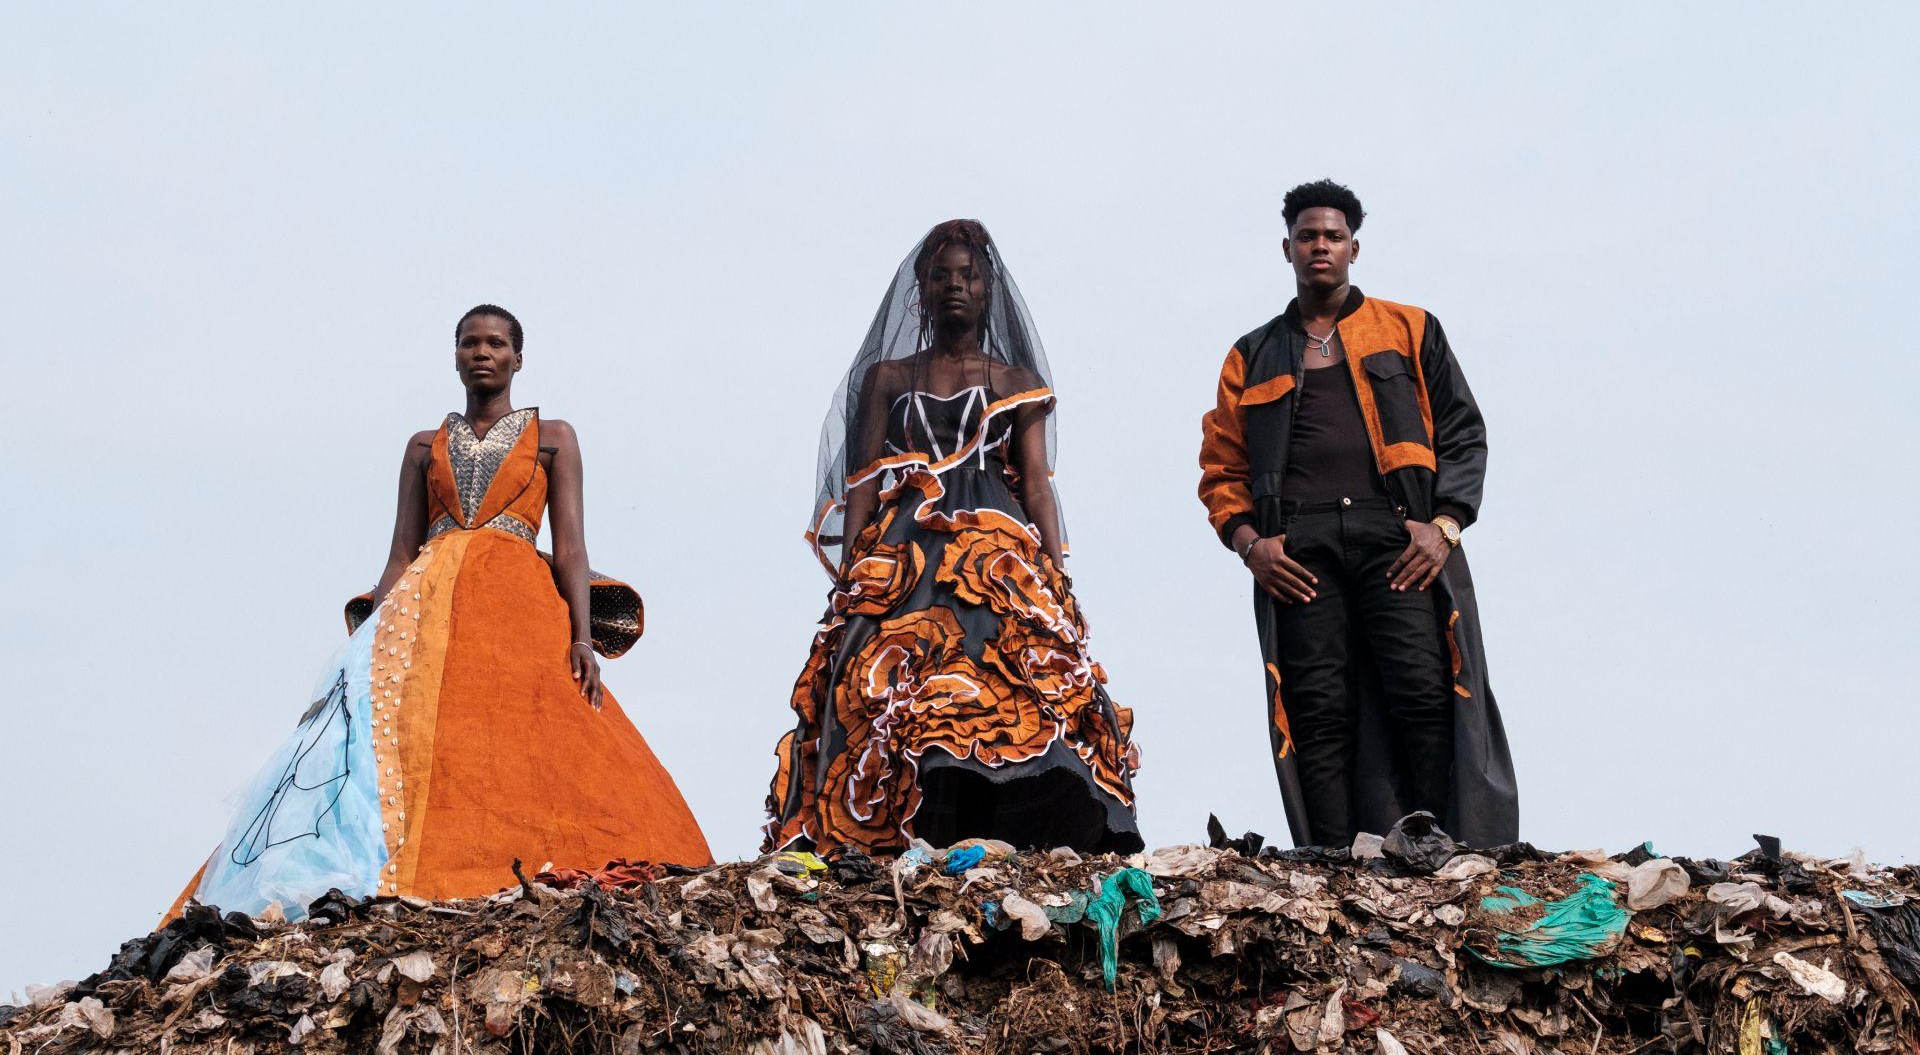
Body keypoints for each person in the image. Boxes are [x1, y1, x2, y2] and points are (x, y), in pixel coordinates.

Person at [167, 304, 711, 919]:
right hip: (426, 603)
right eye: (469, 344)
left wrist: (582, 638)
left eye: (497, 344)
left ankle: (516, 856)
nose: (483, 353)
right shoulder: (425, 446)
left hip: (518, 604)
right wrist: (363, 645)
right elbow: (401, 552)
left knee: (528, 727)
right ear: (454, 356)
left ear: (518, 359)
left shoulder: (553, 437)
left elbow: (573, 546)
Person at [764, 220, 1142, 856]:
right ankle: (902, 830)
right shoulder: (887, 376)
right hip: (904, 542)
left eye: (968, 276)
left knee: (1006, 667)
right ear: (921, 290)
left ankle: (998, 827)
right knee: (882, 674)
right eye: (942, 276)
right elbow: (862, 479)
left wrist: (1057, 572)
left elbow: (1038, 483)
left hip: (995, 537)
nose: (955, 287)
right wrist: (855, 568)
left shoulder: (1015, 379)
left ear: (989, 290)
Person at [1198, 181, 1518, 848]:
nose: (1321, 247)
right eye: (1308, 236)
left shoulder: (1410, 328)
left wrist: (1445, 527)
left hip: (1394, 537)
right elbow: (1221, 469)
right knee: (1317, 711)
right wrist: (1250, 543)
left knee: (1424, 693)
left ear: (1354, 248)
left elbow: (1464, 433)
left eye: (1333, 237)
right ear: (1287, 249)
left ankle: (1434, 848)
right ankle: (1333, 858)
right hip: (1300, 549)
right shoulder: (1251, 354)